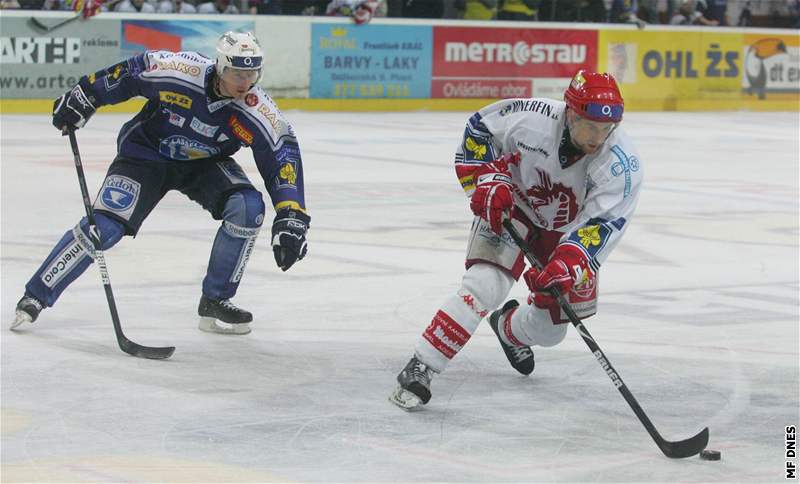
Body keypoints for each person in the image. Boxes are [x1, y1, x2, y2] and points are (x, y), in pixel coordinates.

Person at [11, 31, 310, 336]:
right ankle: (36, 295)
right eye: (236, 73)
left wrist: (291, 214)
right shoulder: (181, 70)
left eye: (251, 73)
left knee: (247, 208)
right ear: (220, 66)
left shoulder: (256, 108)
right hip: (146, 155)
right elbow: (130, 73)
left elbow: (281, 155)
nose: (244, 82)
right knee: (103, 228)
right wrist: (86, 94)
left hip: (204, 164)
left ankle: (216, 299)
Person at [389, 70, 642, 411]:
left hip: (566, 234)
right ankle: (422, 365)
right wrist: (487, 179)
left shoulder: (621, 164)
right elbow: (479, 131)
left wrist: (569, 263)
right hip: (514, 208)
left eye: (606, 129)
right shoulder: (530, 117)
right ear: (569, 112)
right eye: (589, 126)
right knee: (484, 283)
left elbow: (603, 223)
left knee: (551, 331)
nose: (598, 137)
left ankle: (508, 330)